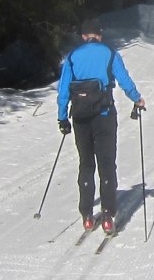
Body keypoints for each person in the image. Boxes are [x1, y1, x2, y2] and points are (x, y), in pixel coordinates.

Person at [57, 19, 144, 234]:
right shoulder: (110, 53)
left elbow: (63, 91)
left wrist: (62, 118)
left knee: (86, 164)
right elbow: (123, 79)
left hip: (80, 117)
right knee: (106, 163)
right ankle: (107, 215)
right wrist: (137, 98)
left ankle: (87, 214)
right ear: (99, 35)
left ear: (84, 36)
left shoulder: (72, 57)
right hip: (104, 115)